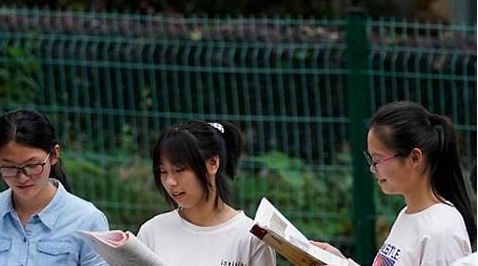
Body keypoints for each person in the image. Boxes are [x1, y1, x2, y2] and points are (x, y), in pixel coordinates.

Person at [313, 101, 476, 266]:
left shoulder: (442, 232)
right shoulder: (408, 214)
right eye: (370, 159)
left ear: (414, 158)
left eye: (377, 160)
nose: (372, 168)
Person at [0, 109, 109, 265]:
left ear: (53, 155)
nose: (22, 177)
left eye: (32, 165)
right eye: (10, 167)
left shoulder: (87, 220)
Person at [137, 120, 276, 265]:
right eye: (163, 171)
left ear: (213, 163)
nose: (170, 181)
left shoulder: (251, 238)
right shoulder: (152, 232)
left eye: (179, 170)